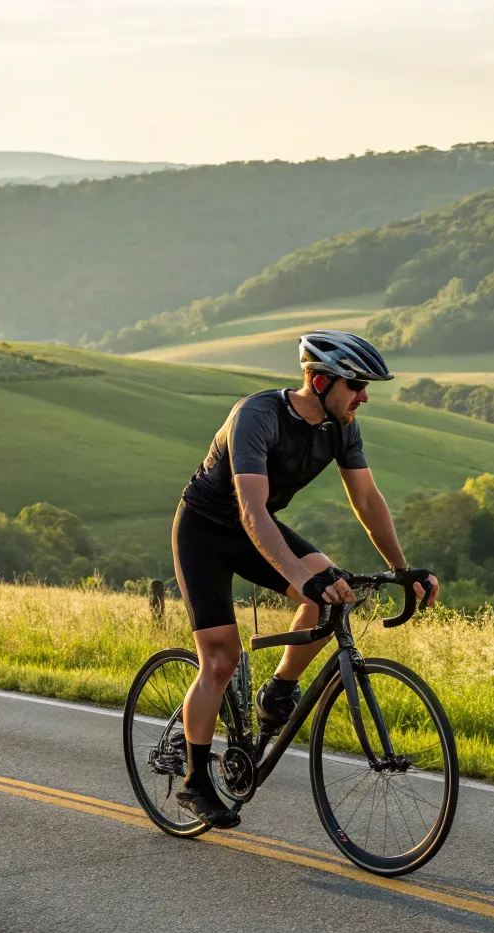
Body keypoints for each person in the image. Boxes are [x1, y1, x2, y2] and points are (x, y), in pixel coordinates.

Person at [169, 330, 438, 828]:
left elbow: (367, 500)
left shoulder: (340, 427)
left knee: (335, 590)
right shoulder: (257, 416)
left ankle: (278, 689)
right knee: (222, 658)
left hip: (258, 530)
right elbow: (250, 510)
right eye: (356, 385)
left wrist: (403, 569)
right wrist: (298, 575)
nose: (363, 397)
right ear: (318, 380)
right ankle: (195, 780)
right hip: (206, 532)